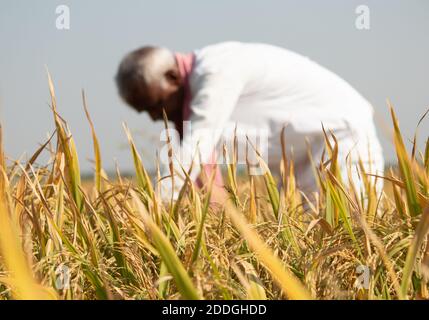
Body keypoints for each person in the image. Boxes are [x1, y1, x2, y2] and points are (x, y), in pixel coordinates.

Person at [115, 42, 384, 200]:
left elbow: (198, 143)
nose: (153, 116)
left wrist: (156, 210)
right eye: (144, 111)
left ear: (173, 78)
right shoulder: (197, 86)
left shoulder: (215, 72)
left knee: (356, 231)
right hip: (302, 157)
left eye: (155, 104)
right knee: (316, 245)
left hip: (341, 139)